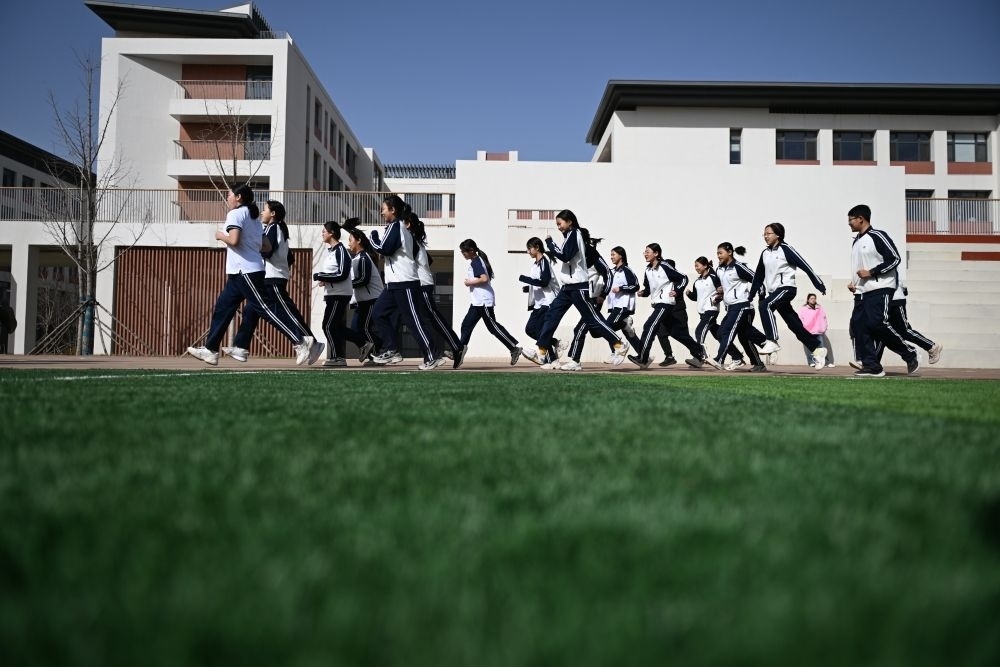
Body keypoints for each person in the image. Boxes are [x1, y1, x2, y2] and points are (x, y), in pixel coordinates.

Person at [187, 184, 323, 366]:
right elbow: (266, 246)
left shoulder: (235, 214)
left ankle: (300, 341)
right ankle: (211, 349)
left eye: (229, 194)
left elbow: (234, 240)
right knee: (222, 308)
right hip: (238, 273)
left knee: (265, 309)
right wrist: (251, 247)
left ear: (238, 197)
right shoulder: (254, 219)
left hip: (246, 271)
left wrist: (219, 235)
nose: (227, 198)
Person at [521, 210, 629, 367]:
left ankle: (619, 345)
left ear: (569, 222)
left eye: (560, 223)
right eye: (557, 224)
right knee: (551, 315)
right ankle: (542, 351)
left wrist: (550, 243)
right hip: (567, 287)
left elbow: (565, 256)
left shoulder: (574, 234)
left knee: (592, 320)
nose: (558, 227)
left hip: (578, 287)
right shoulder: (569, 236)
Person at [223, 199, 314, 362]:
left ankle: (306, 340)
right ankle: (240, 347)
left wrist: (253, 253)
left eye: (264, 210)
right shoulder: (279, 229)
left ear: (272, 213)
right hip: (271, 276)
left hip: (272, 278)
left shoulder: (273, 228)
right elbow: (290, 257)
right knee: (251, 310)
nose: (261, 212)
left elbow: (268, 251)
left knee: (284, 311)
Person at [846, 204, 920, 377]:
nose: (849, 223)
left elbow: (894, 258)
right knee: (859, 326)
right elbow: (860, 267)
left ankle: (909, 353)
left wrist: (872, 272)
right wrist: (853, 282)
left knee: (876, 324)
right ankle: (872, 366)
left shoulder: (878, 236)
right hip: (861, 291)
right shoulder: (856, 241)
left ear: (861, 219)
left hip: (880, 288)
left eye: (851, 220)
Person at [369, 194, 441, 370]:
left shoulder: (396, 226)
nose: (381, 212)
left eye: (383, 209)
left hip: (405, 283)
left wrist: (372, 237)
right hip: (393, 285)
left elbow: (384, 249)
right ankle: (392, 350)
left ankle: (433, 356)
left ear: (393, 210)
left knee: (413, 321)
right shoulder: (397, 228)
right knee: (378, 313)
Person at [746, 222, 828, 369]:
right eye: (764, 234)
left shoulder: (786, 249)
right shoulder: (765, 253)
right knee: (794, 324)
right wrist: (751, 294)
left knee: (765, 305)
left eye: (768, 233)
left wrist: (819, 284)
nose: (765, 236)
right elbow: (758, 275)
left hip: (787, 289)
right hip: (775, 293)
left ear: (778, 235)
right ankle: (817, 349)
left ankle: (772, 340)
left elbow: (805, 266)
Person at [627, 244, 706, 369]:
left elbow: (683, 278)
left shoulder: (664, 266)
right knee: (677, 333)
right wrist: (644, 293)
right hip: (658, 304)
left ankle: (643, 358)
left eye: (648, 252)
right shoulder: (648, 270)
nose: (645, 254)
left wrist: (677, 290)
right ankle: (699, 351)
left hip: (666, 303)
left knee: (649, 325)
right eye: (644, 252)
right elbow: (649, 288)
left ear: (656, 253)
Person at [408, 212, 465, 369]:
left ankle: (457, 347)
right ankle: (441, 351)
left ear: (408, 225)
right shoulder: (414, 241)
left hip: (422, 285)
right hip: (420, 285)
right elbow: (429, 260)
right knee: (428, 320)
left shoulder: (411, 241)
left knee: (434, 318)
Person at [458, 239, 522, 365]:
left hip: (483, 301)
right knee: (466, 325)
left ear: (471, 251)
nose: (463, 254)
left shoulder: (476, 262)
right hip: (477, 302)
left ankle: (514, 348)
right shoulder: (477, 260)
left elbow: (484, 279)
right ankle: (459, 350)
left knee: (492, 327)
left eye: (464, 251)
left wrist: (469, 282)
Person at [704, 243, 765, 372]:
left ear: (730, 252)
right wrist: (721, 296)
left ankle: (719, 359)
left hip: (743, 306)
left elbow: (756, 279)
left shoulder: (739, 267)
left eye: (721, 253)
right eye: (717, 253)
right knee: (727, 333)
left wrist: (761, 295)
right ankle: (763, 343)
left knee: (727, 332)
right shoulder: (720, 269)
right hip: (731, 307)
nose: (718, 256)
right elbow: (728, 288)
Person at [561, 234, 615, 370]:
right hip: (583, 299)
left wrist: (603, 294)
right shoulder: (577, 260)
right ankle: (622, 326)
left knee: (579, 329)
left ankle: (575, 361)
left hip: (592, 300)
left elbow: (608, 274)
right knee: (595, 332)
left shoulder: (593, 258)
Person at [687, 256, 746, 370]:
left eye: (697, 265)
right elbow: (695, 297)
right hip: (702, 313)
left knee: (699, 331)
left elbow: (723, 290)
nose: (696, 268)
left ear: (705, 266)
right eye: (695, 266)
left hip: (711, 310)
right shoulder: (697, 281)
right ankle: (737, 356)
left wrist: (719, 295)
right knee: (719, 335)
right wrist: (689, 294)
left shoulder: (714, 277)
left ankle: (700, 357)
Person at [865, 282, 943, 368]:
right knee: (881, 332)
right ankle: (872, 363)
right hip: (884, 300)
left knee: (904, 331)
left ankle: (932, 347)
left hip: (895, 300)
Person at [313, 221, 353, 367]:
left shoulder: (340, 250)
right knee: (333, 326)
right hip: (332, 294)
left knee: (328, 326)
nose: (322, 234)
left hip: (339, 294)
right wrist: (325, 280)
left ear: (331, 233)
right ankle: (359, 345)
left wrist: (320, 276)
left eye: (324, 231)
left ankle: (338, 358)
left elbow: (342, 274)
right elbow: (334, 273)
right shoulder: (331, 251)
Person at [343, 220, 382, 364]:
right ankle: (379, 349)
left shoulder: (364, 258)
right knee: (356, 329)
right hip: (363, 302)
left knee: (363, 329)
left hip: (372, 300)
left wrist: (344, 285)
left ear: (358, 241)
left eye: (350, 240)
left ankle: (377, 354)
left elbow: (363, 280)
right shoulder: (358, 258)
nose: (348, 244)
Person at [518, 237, 561, 365]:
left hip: (547, 303)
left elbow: (544, 281)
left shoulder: (544, 262)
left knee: (540, 331)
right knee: (530, 329)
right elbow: (537, 282)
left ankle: (551, 359)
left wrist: (525, 279)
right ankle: (554, 343)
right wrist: (528, 288)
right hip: (538, 305)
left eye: (529, 248)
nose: (528, 251)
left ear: (537, 247)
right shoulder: (535, 264)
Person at [797, 293, 835, 367]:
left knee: (822, 348)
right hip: (808, 332)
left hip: (818, 331)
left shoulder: (819, 308)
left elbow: (824, 318)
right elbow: (800, 319)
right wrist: (803, 329)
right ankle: (811, 362)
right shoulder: (803, 309)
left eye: (814, 298)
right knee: (810, 348)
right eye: (811, 298)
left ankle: (826, 363)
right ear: (808, 300)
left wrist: (824, 327)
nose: (813, 300)